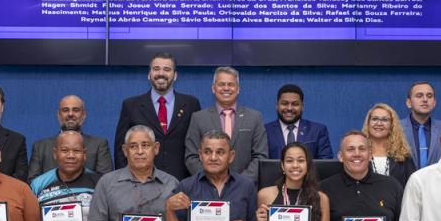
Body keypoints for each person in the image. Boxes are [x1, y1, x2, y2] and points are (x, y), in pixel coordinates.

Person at [113, 52, 201, 180]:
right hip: (141, 182)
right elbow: (121, 150)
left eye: (167, 69)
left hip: (182, 182)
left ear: (175, 75)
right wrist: (125, 182)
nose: (161, 73)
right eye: (156, 69)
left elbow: (197, 146)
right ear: (149, 74)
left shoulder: (191, 104)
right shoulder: (131, 105)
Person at [184, 66, 268, 181]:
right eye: (221, 84)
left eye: (231, 84)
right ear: (213, 88)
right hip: (207, 187)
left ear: (238, 89)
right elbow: (191, 157)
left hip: (244, 187)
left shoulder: (254, 117)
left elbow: (261, 156)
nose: (226, 88)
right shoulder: (198, 118)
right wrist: (211, 181)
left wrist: (240, 182)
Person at [28, 95, 112, 179]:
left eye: (76, 110)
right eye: (65, 110)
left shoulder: (99, 145)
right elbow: (32, 182)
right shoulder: (40, 147)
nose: (70, 114)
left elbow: (106, 181)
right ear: (58, 115)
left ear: (84, 115)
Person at [263, 84, 333, 160]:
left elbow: (325, 162)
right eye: (285, 103)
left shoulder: (318, 130)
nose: (289, 108)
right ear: (277, 105)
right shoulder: (264, 131)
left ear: (302, 106)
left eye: (295, 104)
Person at [362, 103, 416, 187]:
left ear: (392, 125)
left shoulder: (403, 156)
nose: (379, 123)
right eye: (374, 119)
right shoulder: (359, 153)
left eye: (385, 120)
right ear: (368, 123)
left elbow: (412, 186)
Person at [400, 81, 441, 169]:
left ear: (434, 103)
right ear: (409, 103)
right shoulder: (396, 128)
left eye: (429, 96)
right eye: (419, 96)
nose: (425, 99)